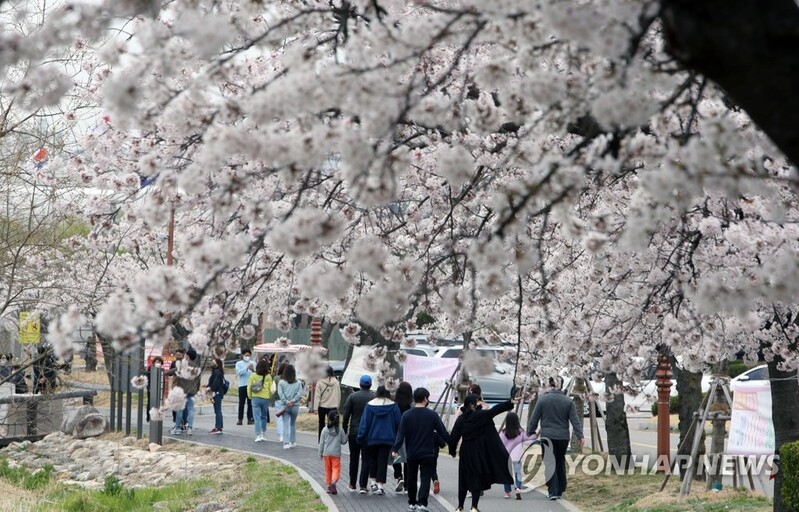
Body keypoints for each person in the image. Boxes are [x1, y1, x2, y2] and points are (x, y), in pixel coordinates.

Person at [449, 394, 514, 512]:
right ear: (472, 404)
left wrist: (452, 451)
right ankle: (474, 507)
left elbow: (453, 438)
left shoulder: (461, 419)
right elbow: (495, 410)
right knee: (476, 478)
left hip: (465, 451)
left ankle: (460, 507)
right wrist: (510, 403)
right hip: (477, 450)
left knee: (463, 478)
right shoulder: (480, 416)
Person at [392, 387, 450, 512]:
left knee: (411, 478)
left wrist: (395, 448)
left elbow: (400, 434)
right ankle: (422, 503)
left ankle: (412, 502)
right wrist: (452, 443)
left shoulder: (407, 415)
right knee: (425, 477)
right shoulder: (432, 415)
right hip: (427, 452)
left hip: (412, 452)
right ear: (425, 399)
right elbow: (443, 432)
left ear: (414, 398)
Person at [527, 377, 584, 501]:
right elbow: (575, 420)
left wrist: (531, 432)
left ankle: (553, 490)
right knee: (559, 461)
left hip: (547, 436)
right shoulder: (568, 401)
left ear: (550, 384)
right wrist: (580, 435)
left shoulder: (542, 400)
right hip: (563, 437)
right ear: (561, 385)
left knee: (549, 463)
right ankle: (560, 488)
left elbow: (534, 419)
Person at [357, 385, 401, 496]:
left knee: (373, 460)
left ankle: (372, 483)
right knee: (383, 461)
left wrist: (361, 436)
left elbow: (365, 423)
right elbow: (399, 423)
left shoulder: (370, 405)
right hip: (387, 438)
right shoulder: (393, 406)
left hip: (372, 437)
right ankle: (381, 485)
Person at [342, 375, 376, 493]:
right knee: (366, 458)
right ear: (370, 385)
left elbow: (346, 415)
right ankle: (363, 485)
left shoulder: (352, 397)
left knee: (354, 458)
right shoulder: (374, 398)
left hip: (354, 432)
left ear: (360, 384)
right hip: (369, 433)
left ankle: (352, 483)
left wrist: (344, 429)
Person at [500, 411, 536, 500]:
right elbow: (528, 440)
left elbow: (500, 444)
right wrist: (534, 435)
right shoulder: (520, 432)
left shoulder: (503, 433)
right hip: (518, 456)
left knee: (507, 474)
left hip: (506, 457)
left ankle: (507, 492)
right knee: (517, 473)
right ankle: (518, 489)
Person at [167, 346, 201, 435]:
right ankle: (190, 428)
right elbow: (198, 381)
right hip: (192, 391)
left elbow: (172, 372)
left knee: (179, 410)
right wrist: (196, 390)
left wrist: (164, 372)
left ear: (188, 356)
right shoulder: (196, 367)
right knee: (191, 409)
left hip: (182, 390)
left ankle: (177, 428)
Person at [318, 409, 348, 495]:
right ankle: (333, 481)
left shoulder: (324, 430)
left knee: (328, 470)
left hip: (326, 453)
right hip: (336, 454)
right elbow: (343, 441)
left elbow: (321, 443)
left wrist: (320, 453)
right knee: (336, 468)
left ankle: (328, 486)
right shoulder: (340, 430)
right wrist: (346, 435)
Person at [392, 381, 413, 492]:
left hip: (397, 434)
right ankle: (407, 484)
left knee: (397, 455)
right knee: (408, 459)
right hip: (409, 434)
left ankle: (399, 476)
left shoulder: (395, 405)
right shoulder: (411, 405)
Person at [277, 364, 303, 449]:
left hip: (285, 406)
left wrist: (287, 401)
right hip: (295, 406)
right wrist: (293, 401)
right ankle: (293, 442)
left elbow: (280, 394)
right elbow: (299, 394)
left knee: (285, 424)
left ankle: (286, 443)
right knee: (292, 424)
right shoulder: (298, 382)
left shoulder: (281, 382)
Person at [247, 357, 274, 442]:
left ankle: (258, 435)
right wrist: (269, 396)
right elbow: (271, 388)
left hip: (255, 398)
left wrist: (250, 396)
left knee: (256, 417)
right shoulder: (268, 376)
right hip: (265, 398)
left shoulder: (253, 375)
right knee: (264, 416)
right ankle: (263, 433)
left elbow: (249, 387)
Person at [313, 366, 341, 441]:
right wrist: (337, 406)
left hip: (322, 406)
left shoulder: (320, 382)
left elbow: (317, 396)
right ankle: (332, 441)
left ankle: (321, 441)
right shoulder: (336, 382)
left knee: (321, 424)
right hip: (333, 407)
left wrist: (315, 408)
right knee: (333, 425)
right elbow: (338, 395)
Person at [235, 349, 255, 425]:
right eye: (246, 355)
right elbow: (239, 372)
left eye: (249, 355)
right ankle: (240, 419)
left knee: (250, 403)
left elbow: (257, 373)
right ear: (242, 355)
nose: (247, 357)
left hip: (251, 385)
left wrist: (253, 370)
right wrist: (246, 368)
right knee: (241, 403)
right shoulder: (239, 363)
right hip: (242, 385)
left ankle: (249, 419)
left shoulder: (253, 363)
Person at [207, 357, 225, 434]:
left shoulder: (217, 372)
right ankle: (219, 427)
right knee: (218, 410)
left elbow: (216, 384)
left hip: (216, 393)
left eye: (213, 362)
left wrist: (210, 388)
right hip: (218, 392)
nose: (212, 363)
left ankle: (218, 427)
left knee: (217, 410)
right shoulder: (217, 371)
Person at [145, 356, 164, 422]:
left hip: (158, 389)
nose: (158, 363)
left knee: (158, 403)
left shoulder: (161, 370)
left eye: (159, 362)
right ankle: (148, 416)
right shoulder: (150, 368)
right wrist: (149, 387)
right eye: (156, 362)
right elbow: (147, 378)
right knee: (150, 402)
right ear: (154, 362)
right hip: (151, 388)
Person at [274, 362, 289, 442]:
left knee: (279, 418)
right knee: (287, 418)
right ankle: (287, 435)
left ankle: (281, 435)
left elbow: (273, 389)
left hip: (278, 399)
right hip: (287, 400)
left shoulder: (276, 378)